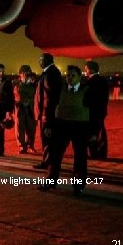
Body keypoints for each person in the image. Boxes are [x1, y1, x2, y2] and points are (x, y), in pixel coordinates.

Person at [38, 65, 90, 196]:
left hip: (80, 127)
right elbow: (51, 107)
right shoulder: (60, 91)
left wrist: (93, 131)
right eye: (68, 75)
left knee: (80, 158)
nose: (70, 78)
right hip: (61, 126)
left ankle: (78, 186)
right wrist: (49, 125)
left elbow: (94, 111)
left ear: (80, 77)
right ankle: (50, 181)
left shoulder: (86, 91)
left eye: (73, 75)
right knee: (55, 155)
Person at [33, 53, 63, 169]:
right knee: (47, 138)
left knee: (48, 138)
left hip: (48, 114)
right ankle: (49, 161)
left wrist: (46, 113)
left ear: (48, 60)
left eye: (41, 60)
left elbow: (51, 97)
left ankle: (48, 162)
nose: (39, 62)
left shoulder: (51, 74)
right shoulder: (48, 73)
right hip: (46, 113)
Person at [84, 61, 109, 159]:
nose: (85, 71)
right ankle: (101, 153)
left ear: (91, 69)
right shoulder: (103, 80)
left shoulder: (91, 82)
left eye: (86, 69)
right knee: (100, 132)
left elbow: (88, 99)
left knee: (92, 133)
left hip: (92, 112)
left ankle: (95, 153)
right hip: (101, 110)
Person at [13, 65, 37, 154]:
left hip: (30, 107)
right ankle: (22, 146)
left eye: (28, 73)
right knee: (20, 128)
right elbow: (15, 94)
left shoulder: (34, 83)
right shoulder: (16, 83)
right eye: (24, 73)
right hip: (20, 108)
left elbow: (35, 94)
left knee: (31, 128)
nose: (26, 75)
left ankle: (30, 145)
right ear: (20, 74)